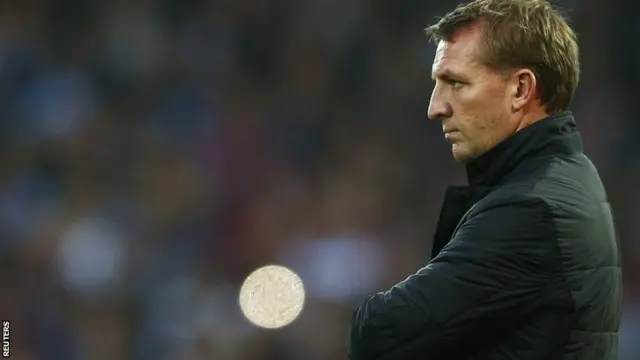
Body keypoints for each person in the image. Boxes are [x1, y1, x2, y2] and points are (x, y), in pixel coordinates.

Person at [347, 0, 623, 359]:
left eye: (456, 84)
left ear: (521, 90)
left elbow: (379, 333)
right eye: (437, 84)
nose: (435, 107)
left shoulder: (529, 211)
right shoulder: (568, 175)